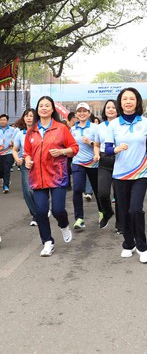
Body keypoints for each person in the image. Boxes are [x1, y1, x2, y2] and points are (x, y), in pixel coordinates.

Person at [104, 87, 147, 264]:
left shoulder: (145, 123)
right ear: (120, 102)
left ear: (137, 102)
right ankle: (128, 243)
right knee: (124, 211)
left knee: (136, 209)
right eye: (125, 99)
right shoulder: (114, 124)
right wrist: (116, 149)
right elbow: (107, 149)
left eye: (131, 99)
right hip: (120, 174)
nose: (128, 102)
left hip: (140, 173)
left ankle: (142, 247)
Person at [24, 96, 79, 257]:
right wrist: (27, 160)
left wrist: (62, 151)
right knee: (40, 211)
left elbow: (74, 148)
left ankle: (63, 224)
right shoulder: (31, 130)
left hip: (57, 176)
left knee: (57, 209)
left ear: (52, 109)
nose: (44, 108)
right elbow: (27, 152)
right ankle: (47, 241)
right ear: (37, 109)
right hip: (37, 177)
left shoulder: (61, 128)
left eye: (47, 105)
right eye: (41, 106)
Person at [70, 102, 101, 230]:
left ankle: (102, 212)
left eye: (84, 111)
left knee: (98, 190)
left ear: (89, 113)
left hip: (93, 162)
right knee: (77, 189)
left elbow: (100, 144)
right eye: (79, 111)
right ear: (76, 114)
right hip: (77, 163)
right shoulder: (72, 129)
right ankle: (79, 218)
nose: (82, 113)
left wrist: (90, 142)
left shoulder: (95, 128)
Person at [94, 99, 122, 231]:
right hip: (104, 160)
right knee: (102, 193)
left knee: (119, 194)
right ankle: (107, 212)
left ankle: (120, 223)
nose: (110, 109)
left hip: (120, 160)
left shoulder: (122, 125)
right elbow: (97, 144)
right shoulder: (100, 127)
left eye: (113, 107)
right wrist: (96, 154)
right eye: (108, 107)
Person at [12, 108, 38, 226]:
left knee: (40, 189)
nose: (28, 118)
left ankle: (42, 208)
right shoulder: (20, 133)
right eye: (26, 116)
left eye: (31, 116)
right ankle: (36, 214)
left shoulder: (39, 132)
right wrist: (17, 158)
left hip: (39, 164)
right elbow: (15, 149)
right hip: (25, 164)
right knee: (28, 191)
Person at [0, 113, 17, 193]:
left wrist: (12, 143)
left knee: (6, 169)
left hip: (8, 152)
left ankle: (6, 186)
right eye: (1, 120)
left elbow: (15, 139)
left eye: (4, 120)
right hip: (0, 153)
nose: (2, 121)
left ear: (7, 121)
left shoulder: (12, 130)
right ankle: (2, 179)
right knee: (1, 170)